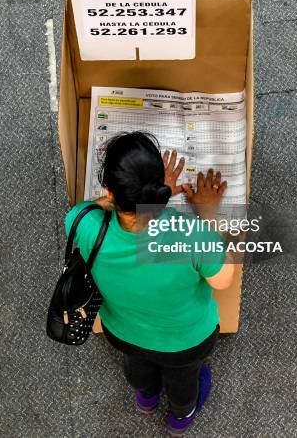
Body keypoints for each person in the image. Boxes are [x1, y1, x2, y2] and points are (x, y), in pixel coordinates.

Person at [65, 132, 235, 435]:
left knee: (138, 369)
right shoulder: (190, 235)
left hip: (123, 333)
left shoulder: (83, 223)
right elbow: (224, 280)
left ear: (109, 191)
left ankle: (146, 398)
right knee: (184, 384)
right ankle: (180, 417)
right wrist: (209, 215)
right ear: (158, 187)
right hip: (185, 342)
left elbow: (93, 207)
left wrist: (132, 196)